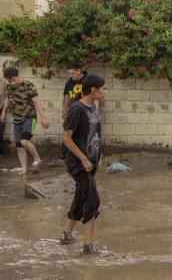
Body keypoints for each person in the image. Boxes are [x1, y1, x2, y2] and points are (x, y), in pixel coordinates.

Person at [59, 73, 106, 255]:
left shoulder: (93, 107)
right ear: (93, 90)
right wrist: (84, 159)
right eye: (103, 89)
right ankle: (88, 247)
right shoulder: (77, 109)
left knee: (81, 196)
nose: (105, 92)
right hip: (78, 163)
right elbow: (66, 137)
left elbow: (95, 135)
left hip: (90, 161)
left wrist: (98, 158)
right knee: (92, 200)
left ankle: (67, 235)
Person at [1, 68, 49, 174]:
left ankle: (37, 159)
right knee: (19, 147)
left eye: (14, 80)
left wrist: (43, 118)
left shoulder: (28, 85)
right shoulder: (8, 87)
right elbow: (7, 98)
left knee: (24, 141)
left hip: (29, 116)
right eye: (10, 81)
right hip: (16, 119)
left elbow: (36, 102)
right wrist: (4, 110)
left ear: (18, 75)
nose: (12, 83)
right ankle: (24, 170)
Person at [51, 62, 91, 166]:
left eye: (73, 73)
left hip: (84, 112)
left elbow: (93, 96)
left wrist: (94, 110)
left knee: (83, 135)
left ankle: (87, 157)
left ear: (79, 70)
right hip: (72, 112)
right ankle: (62, 157)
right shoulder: (69, 82)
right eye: (69, 73)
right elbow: (67, 96)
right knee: (67, 133)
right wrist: (64, 110)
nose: (71, 76)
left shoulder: (87, 81)